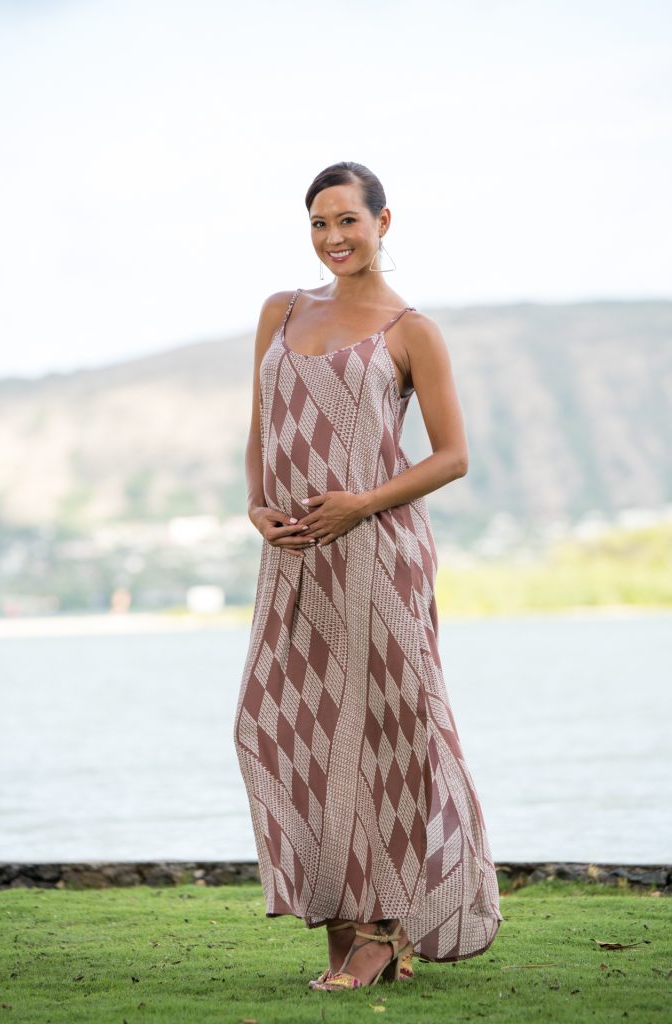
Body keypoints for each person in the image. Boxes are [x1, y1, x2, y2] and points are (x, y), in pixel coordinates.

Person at [233, 160, 503, 992]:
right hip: (295, 557)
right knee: (284, 727)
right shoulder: (280, 311)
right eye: (318, 223)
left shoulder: (409, 329)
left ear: (384, 222)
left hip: (378, 551)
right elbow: (260, 428)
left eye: (347, 220)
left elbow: (452, 457)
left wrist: (361, 506)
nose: (332, 238)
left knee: (389, 728)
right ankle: (341, 921)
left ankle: (383, 930)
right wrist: (255, 506)